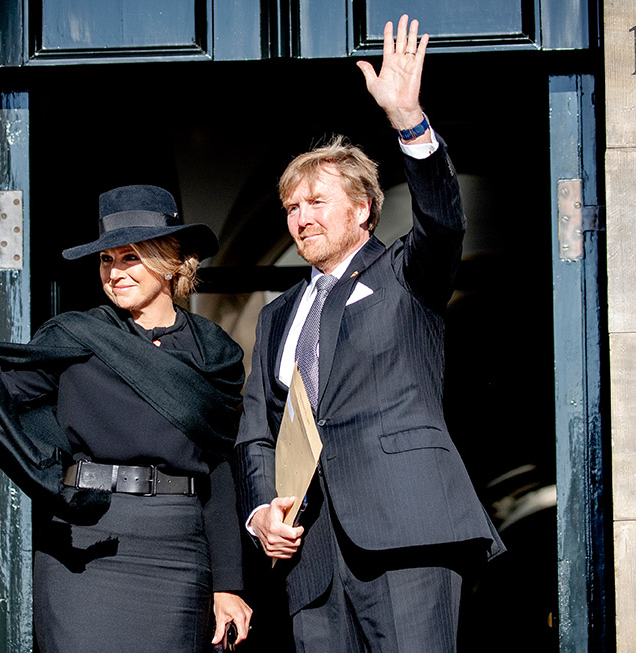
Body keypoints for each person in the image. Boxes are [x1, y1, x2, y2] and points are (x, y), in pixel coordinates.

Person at [234, 14, 504, 651]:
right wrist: (260, 511)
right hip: (312, 558)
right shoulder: (277, 316)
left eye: (316, 202)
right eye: (291, 208)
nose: (301, 219)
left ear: (362, 208)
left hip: (406, 533)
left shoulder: (406, 275)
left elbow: (442, 220)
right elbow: (255, 429)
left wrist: (408, 120)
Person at [0, 184, 252, 652]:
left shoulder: (214, 353)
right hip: (86, 544)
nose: (116, 272)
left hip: (177, 549)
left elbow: (219, 468)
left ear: (171, 261)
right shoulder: (77, 335)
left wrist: (227, 582)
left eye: (131, 257)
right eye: (107, 260)